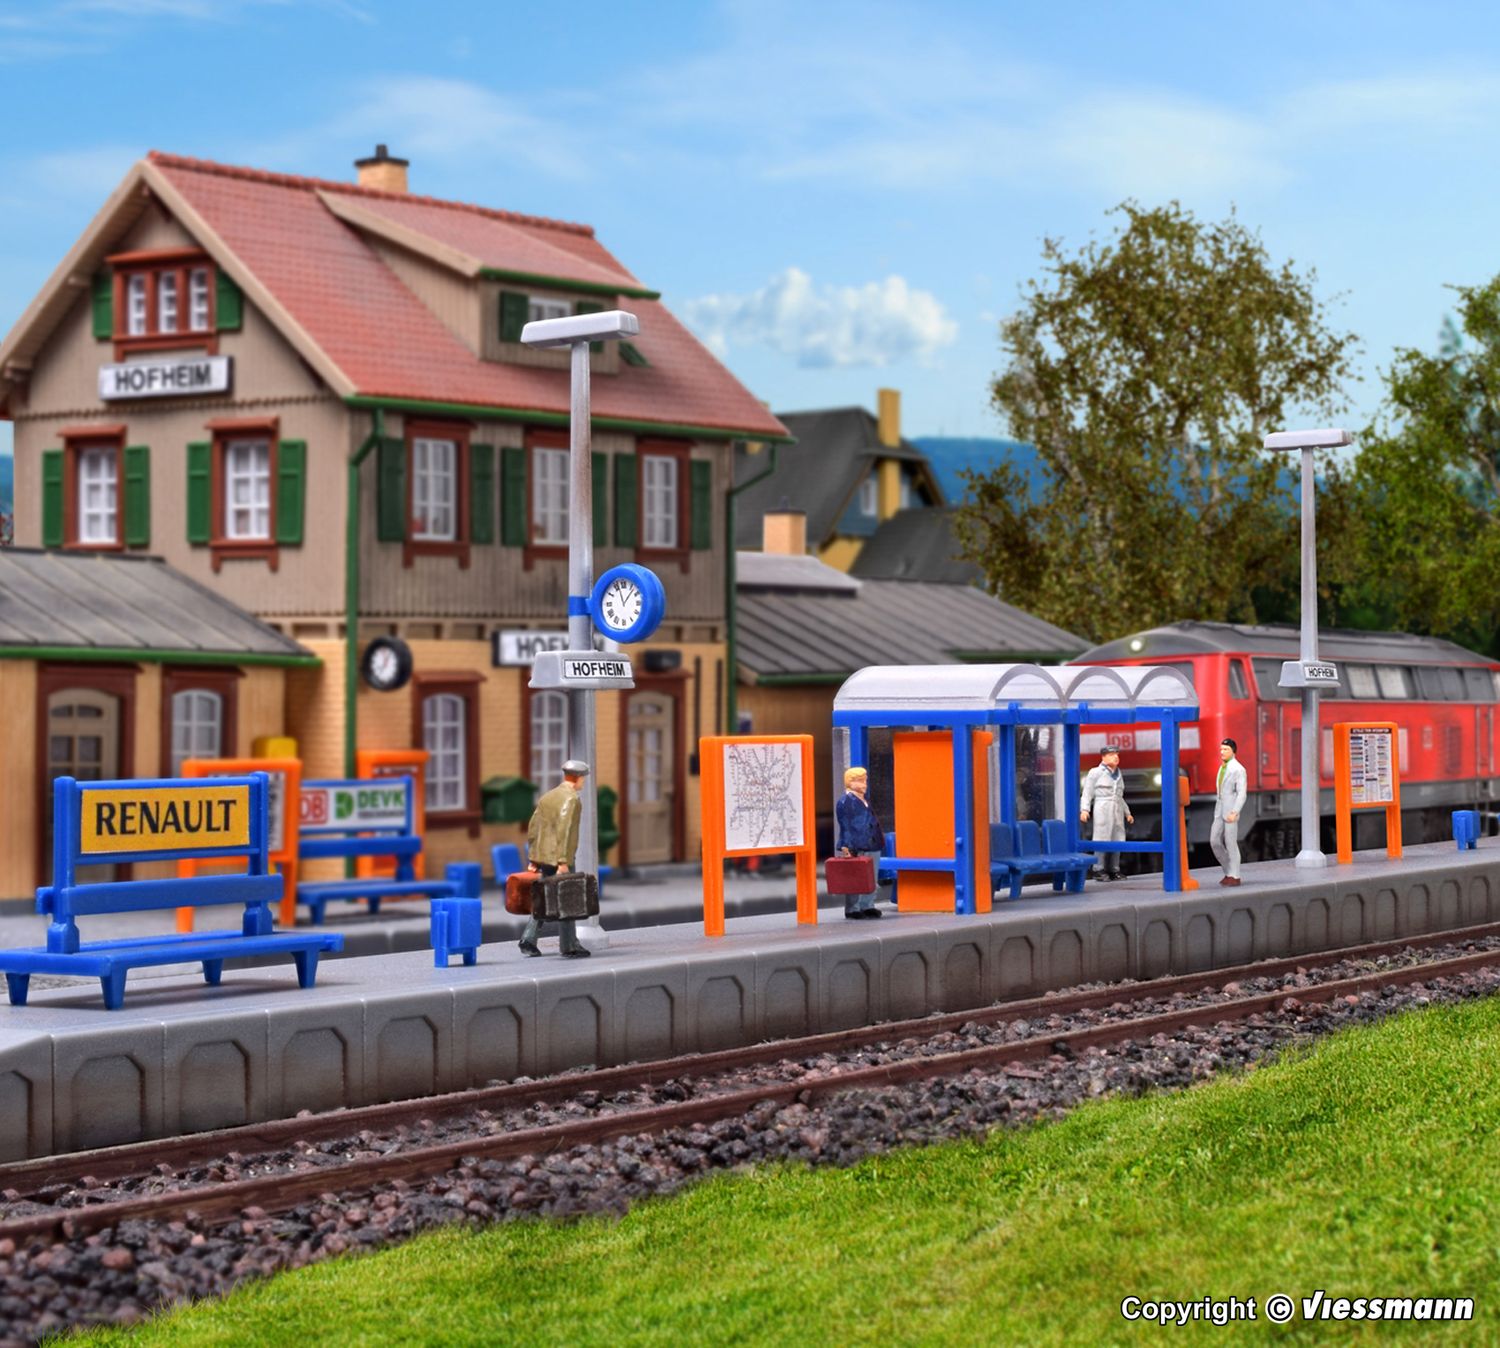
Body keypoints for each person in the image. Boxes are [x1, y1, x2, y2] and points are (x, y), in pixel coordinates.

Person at [519, 759, 592, 958]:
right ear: (578, 778)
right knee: (567, 898)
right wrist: (563, 861)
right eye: (583, 778)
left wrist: (534, 858)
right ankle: (569, 945)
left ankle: (529, 938)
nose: (583, 782)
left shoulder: (548, 797)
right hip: (561, 858)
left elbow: (534, 828)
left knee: (543, 897)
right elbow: (564, 830)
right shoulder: (571, 799)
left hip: (544, 858)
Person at [835, 765, 887, 919]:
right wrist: (846, 846)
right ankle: (853, 908)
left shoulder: (864, 800)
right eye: (860, 781)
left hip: (872, 843)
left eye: (865, 781)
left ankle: (868, 905)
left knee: (871, 876)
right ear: (850, 782)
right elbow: (845, 825)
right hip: (856, 844)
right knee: (856, 877)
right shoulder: (845, 801)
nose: (864, 784)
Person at [1079, 746, 1134, 880]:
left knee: (1118, 838)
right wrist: (1085, 809)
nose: (1115, 757)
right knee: (1102, 837)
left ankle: (1114, 869)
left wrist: (1127, 813)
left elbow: (1119, 796)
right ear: (1103, 757)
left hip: (1117, 808)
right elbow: (1087, 793)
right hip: (1103, 807)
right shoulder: (1095, 772)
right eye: (1111, 755)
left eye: (1116, 754)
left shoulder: (1118, 774)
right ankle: (1098, 869)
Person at [1211, 738, 1248, 886]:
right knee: (1214, 841)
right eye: (1221, 749)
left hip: (1230, 810)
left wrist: (1235, 811)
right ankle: (1228, 871)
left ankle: (1235, 875)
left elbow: (1242, 793)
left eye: (1225, 749)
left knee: (1231, 843)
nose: (1222, 752)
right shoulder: (1222, 768)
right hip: (1219, 809)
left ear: (1233, 751)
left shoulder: (1238, 769)